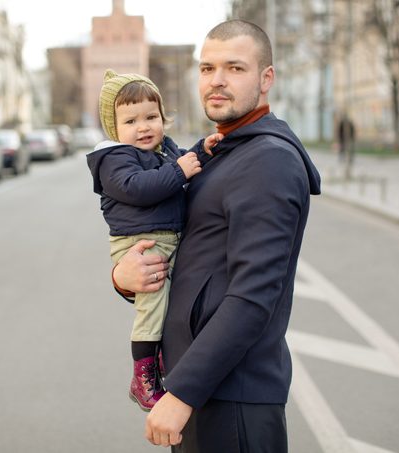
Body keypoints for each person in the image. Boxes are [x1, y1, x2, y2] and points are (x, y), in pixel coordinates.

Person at [111, 20, 321, 452]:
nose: (217, 80)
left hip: (232, 397)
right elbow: (192, 259)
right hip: (207, 387)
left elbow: (252, 296)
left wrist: (184, 390)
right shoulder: (222, 150)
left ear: (266, 79)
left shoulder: (269, 161)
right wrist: (125, 277)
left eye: (234, 68)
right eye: (207, 68)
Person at [86, 69, 222, 412]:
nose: (143, 126)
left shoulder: (164, 149)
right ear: (113, 128)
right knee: (153, 303)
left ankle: (162, 358)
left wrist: (201, 152)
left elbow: (182, 164)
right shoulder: (114, 158)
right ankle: (142, 375)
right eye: (131, 120)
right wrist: (179, 171)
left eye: (151, 116)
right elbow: (138, 188)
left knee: (176, 300)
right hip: (140, 242)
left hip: (165, 237)